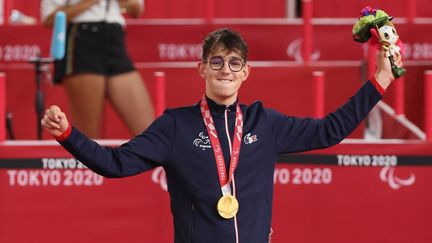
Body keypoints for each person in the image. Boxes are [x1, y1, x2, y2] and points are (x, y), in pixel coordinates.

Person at [41, 28, 402, 243]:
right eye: (216, 61)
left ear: (246, 72)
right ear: (202, 68)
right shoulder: (174, 126)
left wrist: (381, 81)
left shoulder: (265, 123)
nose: (224, 70)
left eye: (233, 63)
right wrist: (69, 134)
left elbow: (330, 130)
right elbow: (114, 164)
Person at [40, 0, 154, 138]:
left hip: (115, 37)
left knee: (150, 132)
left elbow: (136, 10)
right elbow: (49, 18)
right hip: (82, 38)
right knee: (89, 138)